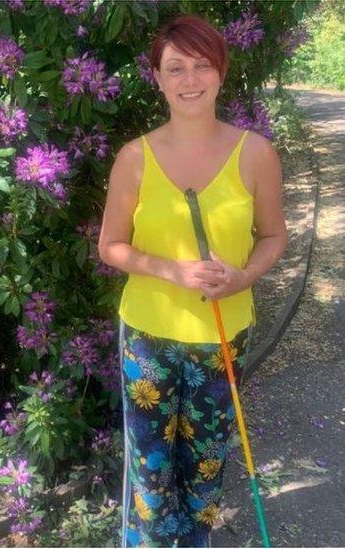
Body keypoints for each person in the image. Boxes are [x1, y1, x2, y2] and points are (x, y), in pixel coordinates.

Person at [98, 13, 287, 549]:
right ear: (157, 77)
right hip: (148, 336)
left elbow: (273, 236)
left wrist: (245, 275)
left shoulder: (255, 154)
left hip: (221, 337)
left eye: (202, 65)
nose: (190, 79)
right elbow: (110, 245)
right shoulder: (134, 158)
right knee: (151, 471)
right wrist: (173, 270)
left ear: (221, 73)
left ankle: (196, 542)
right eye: (175, 67)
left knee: (205, 463)